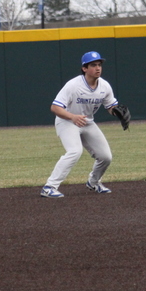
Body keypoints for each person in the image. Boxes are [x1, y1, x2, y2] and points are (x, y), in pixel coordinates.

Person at [41, 51, 126, 198]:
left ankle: (94, 182)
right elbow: (55, 108)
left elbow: (110, 106)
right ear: (84, 68)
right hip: (67, 121)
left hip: (87, 122)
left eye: (99, 65)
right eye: (93, 65)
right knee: (74, 151)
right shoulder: (73, 85)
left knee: (105, 156)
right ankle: (49, 186)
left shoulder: (104, 86)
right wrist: (72, 117)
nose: (98, 68)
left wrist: (118, 113)